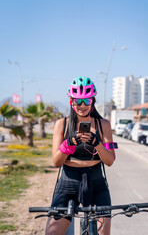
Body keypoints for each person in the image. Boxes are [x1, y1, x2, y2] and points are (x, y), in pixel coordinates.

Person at [45, 76, 116, 235]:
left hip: (96, 180)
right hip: (68, 181)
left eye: (86, 101)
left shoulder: (103, 124)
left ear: (93, 100)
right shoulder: (61, 124)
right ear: (71, 101)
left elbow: (110, 161)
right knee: (51, 233)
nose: (82, 105)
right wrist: (68, 144)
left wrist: (97, 143)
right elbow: (56, 162)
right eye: (78, 101)